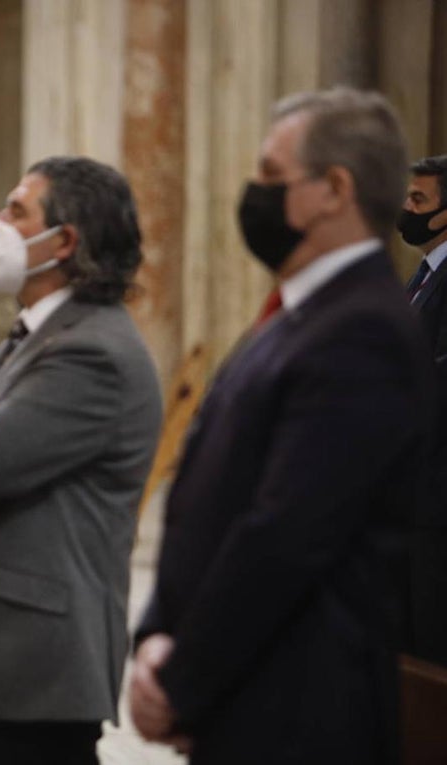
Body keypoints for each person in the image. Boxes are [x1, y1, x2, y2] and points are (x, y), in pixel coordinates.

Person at [130, 88, 433, 765]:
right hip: (249, 694)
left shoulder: (364, 330)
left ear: (334, 189)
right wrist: (155, 633)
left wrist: (182, 681)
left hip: (302, 709)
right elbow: (207, 492)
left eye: (271, 175)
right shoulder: (296, 314)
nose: (253, 194)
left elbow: (286, 532)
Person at [0, 157, 162, 765]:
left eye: (16, 210)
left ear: (64, 241)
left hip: (37, 655)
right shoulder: (36, 333)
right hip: (0, 649)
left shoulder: (90, 352)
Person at [397, 154, 447, 666]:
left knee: (431, 640)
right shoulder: (425, 273)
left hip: (437, 495)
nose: (406, 208)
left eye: (418, 200)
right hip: (410, 490)